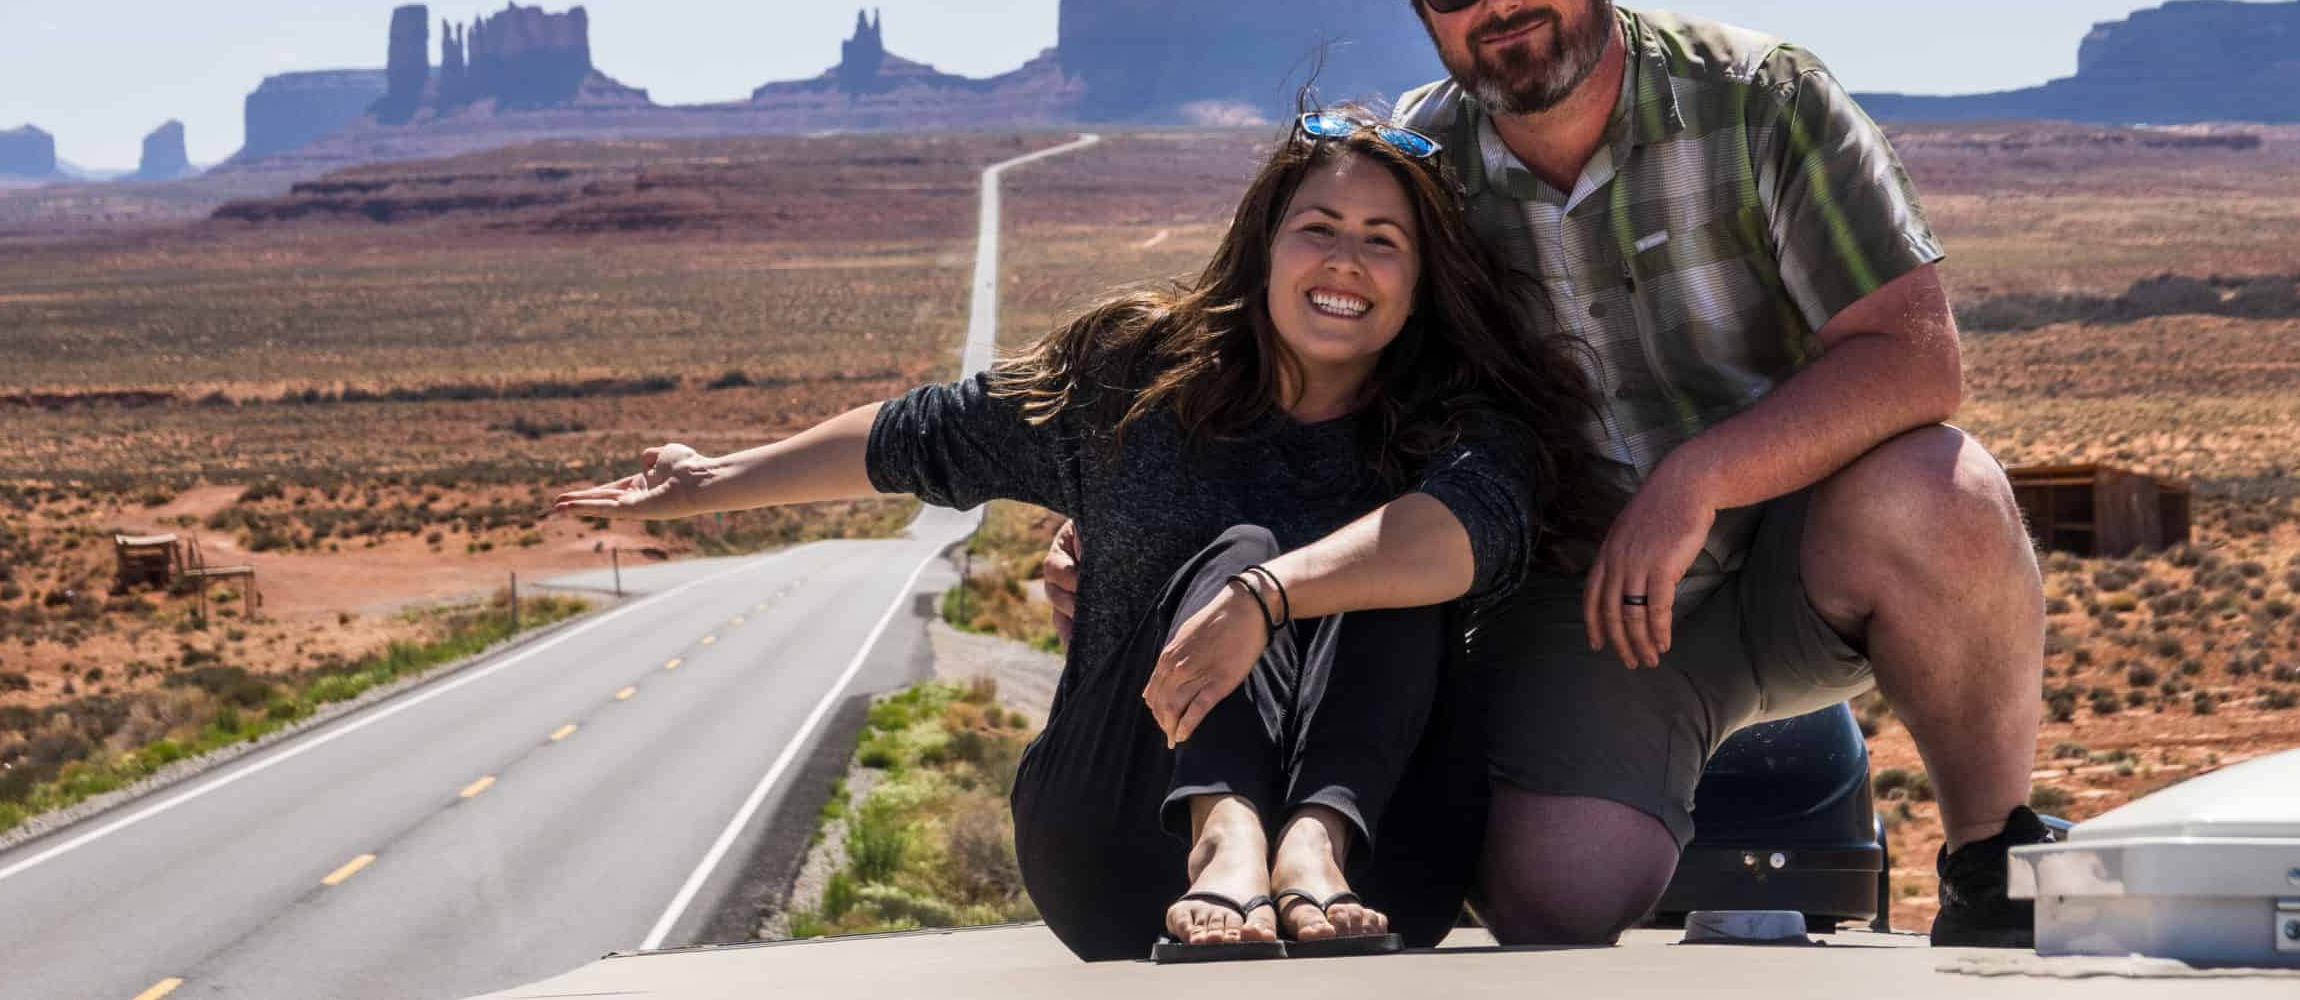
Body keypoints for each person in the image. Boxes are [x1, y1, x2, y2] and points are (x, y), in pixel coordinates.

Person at [1046, 0, 2054, 948]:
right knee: (1554, 904)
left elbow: (1914, 356)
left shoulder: (1763, 101)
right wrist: (1122, 521)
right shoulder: (1419, 175)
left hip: (1794, 562)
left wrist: (1700, 478)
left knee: (1941, 484)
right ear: (1424, 9)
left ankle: (1987, 857)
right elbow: (1287, 360)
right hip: (1589, 609)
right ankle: (1638, 811)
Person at [547, 108, 1599, 962]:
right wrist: (719, 478)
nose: (1346, 261)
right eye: (1317, 227)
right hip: (1118, 850)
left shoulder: (1466, 426)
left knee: (1367, 564)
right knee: (1237, 551)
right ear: (1263, 244)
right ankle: (1224, 833)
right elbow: (923, 437)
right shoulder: (1133, 379)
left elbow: (1459, 535)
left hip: (1378, 872)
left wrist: (1269, 597)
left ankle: (1311, 841)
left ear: (1419, 284)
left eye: (1384, 241)